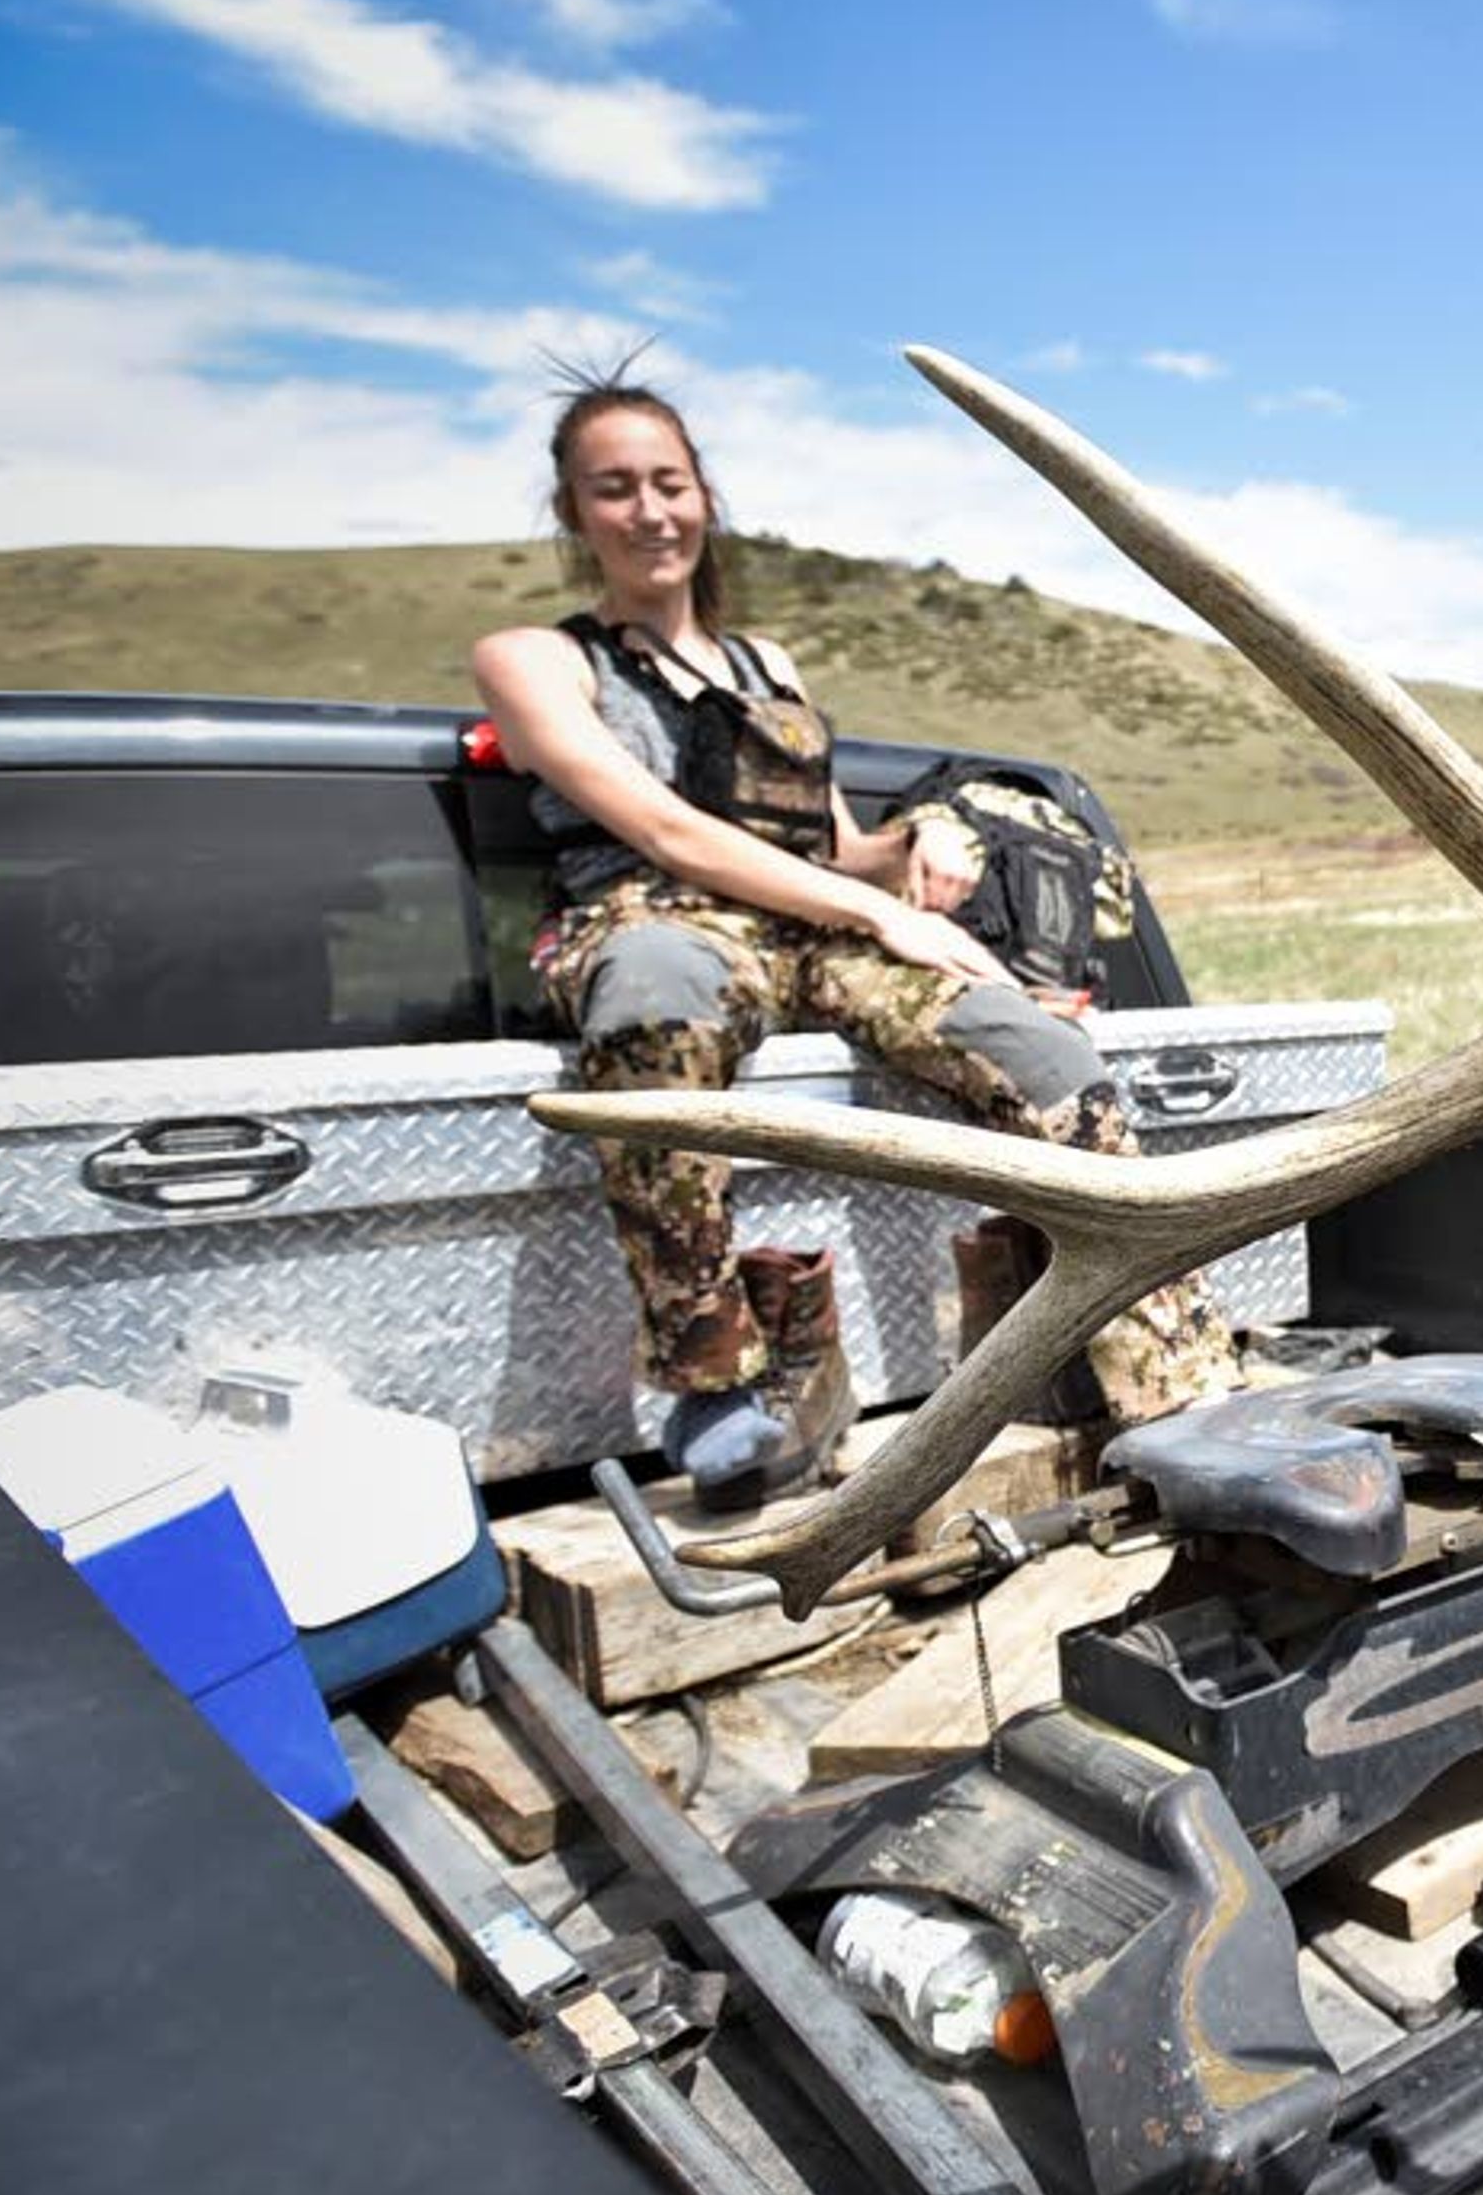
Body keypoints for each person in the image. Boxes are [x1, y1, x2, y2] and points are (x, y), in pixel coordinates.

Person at [472, 368, 1240, 1510]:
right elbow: (664, 828)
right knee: (654, 986)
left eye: (670, 482)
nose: (651, 511)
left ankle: (1175, 1385)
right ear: (575, 512)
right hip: (653, 917)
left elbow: (830, 849)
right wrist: (874, 907)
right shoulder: (537, 658)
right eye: (615, 488)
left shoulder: (768, 667)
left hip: (812, 926)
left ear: (706, 495)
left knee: (1032, 1046)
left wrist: (918, 844)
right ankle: (713, 1378)